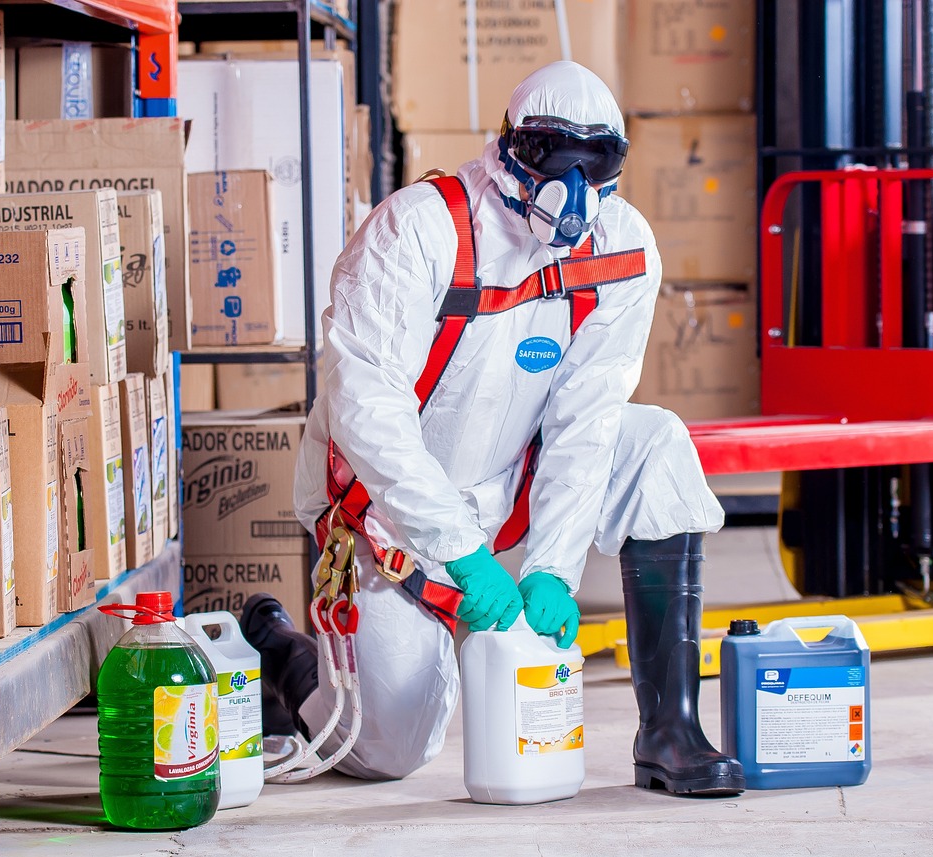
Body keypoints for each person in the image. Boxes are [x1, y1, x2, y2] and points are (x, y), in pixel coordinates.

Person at [241, 61, 742, 795]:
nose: (573, 186)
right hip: (383, 511)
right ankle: (282, 649)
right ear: (507, 148)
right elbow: (366, 410)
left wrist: (552, 568)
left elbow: (588, 416)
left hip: (511, 476)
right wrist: (461, 555)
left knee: (656, 443)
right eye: (551, 154)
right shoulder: (417, 229)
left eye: (595, 161)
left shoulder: (622, 251)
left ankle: (670, 730)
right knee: (389, 749)